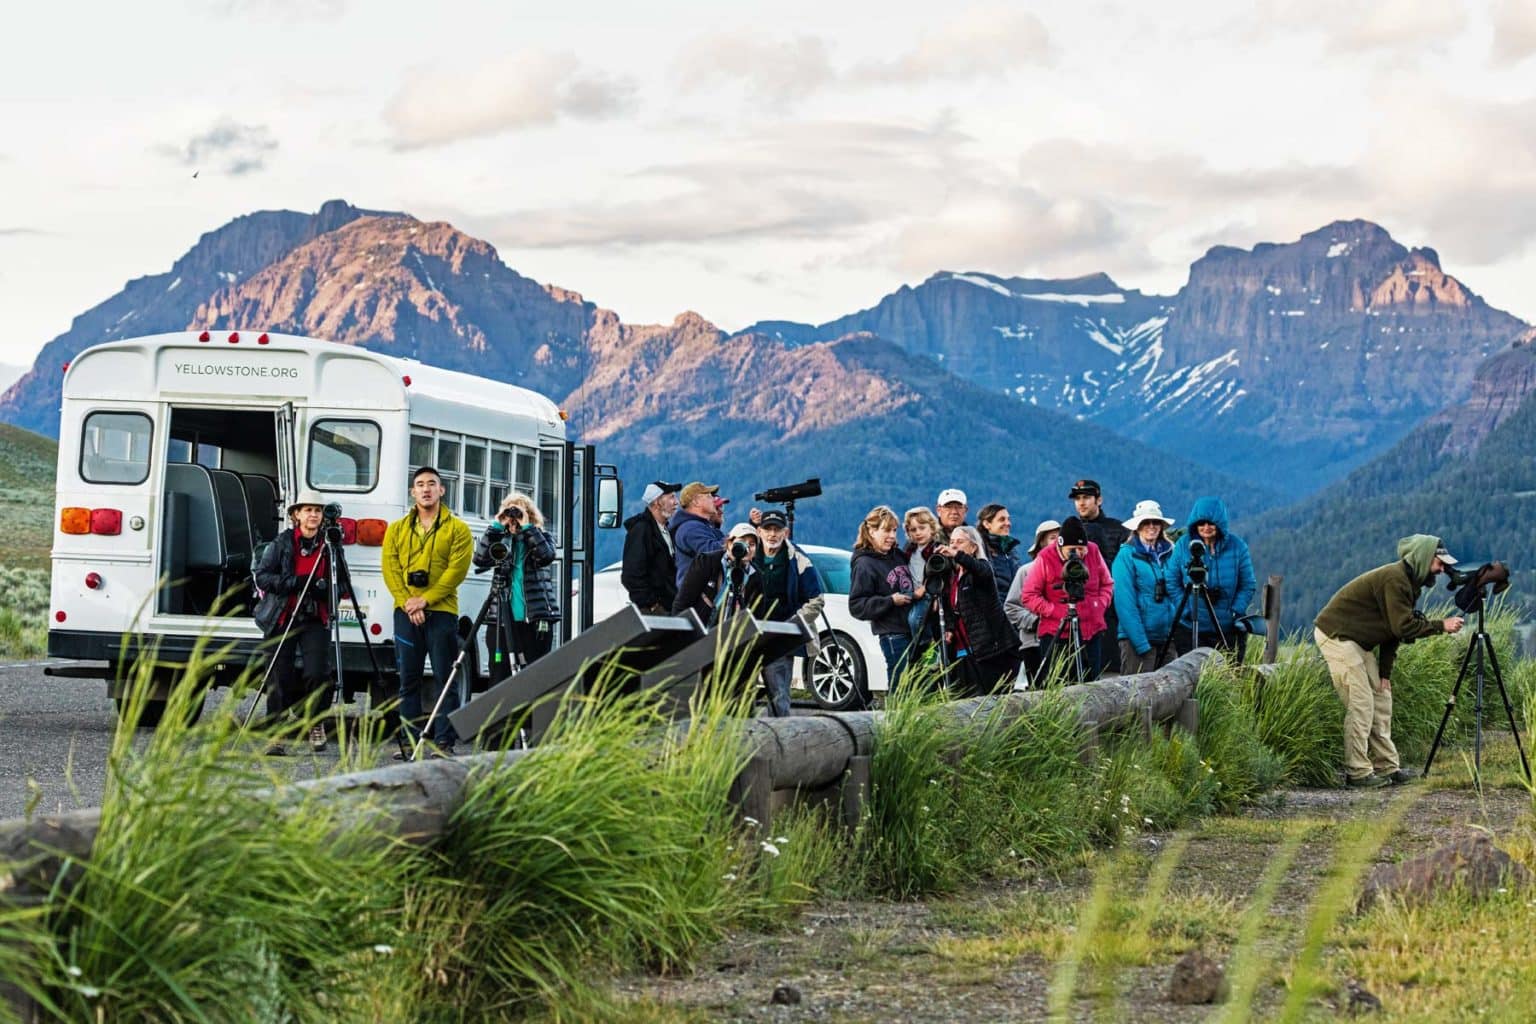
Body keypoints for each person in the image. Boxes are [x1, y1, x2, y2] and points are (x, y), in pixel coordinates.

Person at [1314, 535, 1465, 788]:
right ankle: (1357, 773)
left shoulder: (1409, 583)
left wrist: (1385, 673)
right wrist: (1442, 626)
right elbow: (1403, 626)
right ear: (1423, 559)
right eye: (1439, 563)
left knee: (1381, 697)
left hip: (1359, 642)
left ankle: (1387, 767)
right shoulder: (1395, 579)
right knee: (1361, 702)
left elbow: (1393, 631)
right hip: (1336, 635)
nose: (1441, 570)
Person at [381, 465, 474, 757]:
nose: (426, 489)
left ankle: (444, 742)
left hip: (443, 613)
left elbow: (455, 572)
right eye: (420, 484)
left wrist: (426, 600)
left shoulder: (458, 529)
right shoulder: (396, 529)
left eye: (431, 483)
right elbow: (390, 569)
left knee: (445, 678)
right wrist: (409, 601)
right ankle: (410, 741)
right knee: (408, 678)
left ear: (441, 490)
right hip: (405, 613)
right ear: (412, 491)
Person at [253, 491, 338, 754]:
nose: (313, 514)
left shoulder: (330, 545)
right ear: (296, 515)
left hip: (314, 617)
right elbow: (262, 576)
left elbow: (342, 583)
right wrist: (295, 583)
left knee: (317, 673)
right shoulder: (282, 543)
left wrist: (326, 589)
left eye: (317, 510)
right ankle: (275, 733)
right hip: (282, 615)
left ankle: (315, 723)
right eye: (307, 510)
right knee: (279, 675)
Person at [472, 492, 560, 680]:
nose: (513, 519)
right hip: (502, 622)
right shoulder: (499, 540)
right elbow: (479, 559)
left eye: (518, 513)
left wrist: (528, 526)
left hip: (535, 620)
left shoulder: (543, 537)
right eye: (509, 513)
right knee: (499, 675)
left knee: (534, 677)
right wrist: (497, 525)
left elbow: (546, 556)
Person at [750, 509, 824, 717]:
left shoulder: (799, 560)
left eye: (777, 530)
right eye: (767, 529)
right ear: (759, 532)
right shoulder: (749, 556)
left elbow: (816, 600)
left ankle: (782, 737)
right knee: (742, 693)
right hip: (749, 634)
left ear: (786, 532)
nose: (772, 535)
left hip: (780, 638)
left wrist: (792, 625)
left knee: (779, 695)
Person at [1021, 516, 1112, 683]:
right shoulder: (1045, 557)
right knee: (1057, 683)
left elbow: (1107, 584)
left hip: (1091, 631)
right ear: (1060, 545)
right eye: (1072, 549)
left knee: (1090, 684)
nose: (1077, 554)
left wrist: (1098, 606)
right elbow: (1028, 595)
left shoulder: (1093, 551)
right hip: (1056, 633)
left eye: (1081, 548)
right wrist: (1055, 611)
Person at [1165, 496, 1257, 661]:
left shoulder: (1237, 547)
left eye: (1211, 523)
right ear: (1195, 524)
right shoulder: (1183, 546)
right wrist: (1186, 610)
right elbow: (1171, 581)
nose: (1206, 527)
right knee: (1191, 675)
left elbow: (1248, 584)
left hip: (1226, 628)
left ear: (1220, 523)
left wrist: (1235, 611)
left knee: (1229, 675)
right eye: (1201, 523)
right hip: (1191, 627)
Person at [934, 525, 1021, 696]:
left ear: (973, 547)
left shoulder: (982, 568)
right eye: (951, 542)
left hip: (989, 649)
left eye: (960, 542)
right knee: (966, 699)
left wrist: (957, 555)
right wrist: (950, 628)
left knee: (991, 697)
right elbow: (952, 607)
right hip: (962, 648)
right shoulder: (953, 576)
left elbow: (981, 571)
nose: (954, 546)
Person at [849, 505, 916, 692]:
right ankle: (896, 719)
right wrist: (890, 601)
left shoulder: (897, 556)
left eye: (894, 530)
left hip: (913, 629)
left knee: (916, 685)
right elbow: (856, 605)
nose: (892, 536)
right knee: (900, 686)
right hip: (892, 634)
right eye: (886, 530)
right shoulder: (864, 564)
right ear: (871, 531)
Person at [1111, 500, 1178, 675]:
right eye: (1145, 522)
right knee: (1137, 696)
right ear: (1137, 527)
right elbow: (1125, 603)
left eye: (1155, 522)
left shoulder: (1171, 553)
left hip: (1166, 638)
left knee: (1172, 693)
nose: (1151, 526)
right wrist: (1141, 644)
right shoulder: (1126, 556)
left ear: (1161, 526)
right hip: (1136, 641)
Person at [1069, 479, 1125, 674]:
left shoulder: (1118, 529)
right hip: (1076, 607)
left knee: (1110, 670)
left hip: (1111, 609)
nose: (1081, 503)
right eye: (1077, 499)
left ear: (1099, 500)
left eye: (1086, 497)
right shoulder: (1068, 530)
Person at [1004, 519, 1060, 686]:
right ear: (1041, 542)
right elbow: (1011, 607)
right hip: (1032, 644)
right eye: (1052, 537)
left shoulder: (1069, 573)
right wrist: (1035, 621)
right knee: (1039, 691)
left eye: (1060, 537)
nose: (1057, 542)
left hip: (1062, 642)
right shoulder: (1026, 571)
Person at [674, 522, 763, 623]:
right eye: (741, 542)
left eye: (752, 544)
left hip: (731, 635)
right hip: (699, 630)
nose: (746, 548)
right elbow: (683, 602)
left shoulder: (756, 576)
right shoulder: (706, 562)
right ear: (729, 544)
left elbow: (756, 617)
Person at [620, 481, 681, 613]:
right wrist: (651, 604)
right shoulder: (641, 530)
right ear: (657, 503)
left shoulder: (665, 530)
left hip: (670, 606)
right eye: (671, 497)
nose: (676, 502)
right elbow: (631, 575)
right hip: (653, 610)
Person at [670, 481, 726, 589]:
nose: (713, 500)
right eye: (709, 496)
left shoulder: (703, 526)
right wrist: (735, 540)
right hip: (695, 597)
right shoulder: (690, 528)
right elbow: (711, 551)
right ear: (696, 502)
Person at [901, 507, 940, 641]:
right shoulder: (909, 549)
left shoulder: (935, 549)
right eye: (913, 529)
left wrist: (925, 589)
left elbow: (938, 574)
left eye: (922, 528)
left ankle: (927, 647)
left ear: (932, 528)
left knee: (915, 620)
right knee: (909, 621)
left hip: (927, 593)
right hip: (912, 593)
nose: (918, 533)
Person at [977, 503, 1022, 609]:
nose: (1007, 523)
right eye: (1002, 519)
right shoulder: (980, 550)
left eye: (1008, 519)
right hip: (993, 612)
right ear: (987, 524)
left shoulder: (1011, 550)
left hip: (1014, 611)